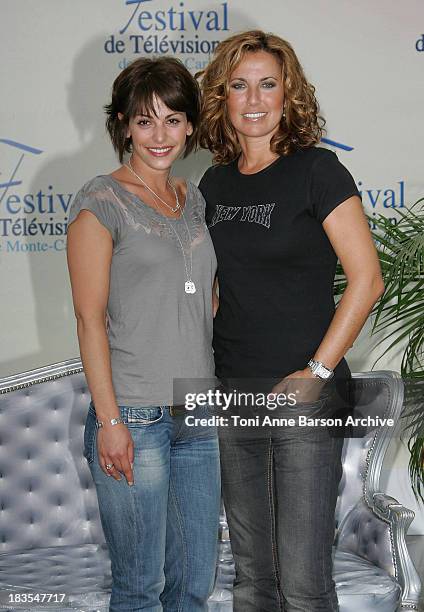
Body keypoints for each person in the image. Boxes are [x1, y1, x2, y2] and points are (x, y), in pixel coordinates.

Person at [196, 30, 385, 612]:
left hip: (304, 390)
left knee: (302, 583)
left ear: (289, 92)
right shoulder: (213, 182)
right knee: (252, 580)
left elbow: (368, 280)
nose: (254, 99)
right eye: (239, 86)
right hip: (234, 392)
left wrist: (316, 371)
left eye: (268, 85)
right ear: (221, 97)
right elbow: (218, 290)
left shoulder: (317, 171)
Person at [66, 57, 220, 612]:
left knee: (194, 585)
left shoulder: (194, 199)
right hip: (135, 415)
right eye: (145, 120)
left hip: (197, 413)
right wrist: (110, 422)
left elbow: (205, 299)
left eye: (174, 120)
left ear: (190, 125)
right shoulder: (100, 202)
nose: (161, 135)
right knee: (139, 590)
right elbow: (89, 320)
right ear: (124, 124)